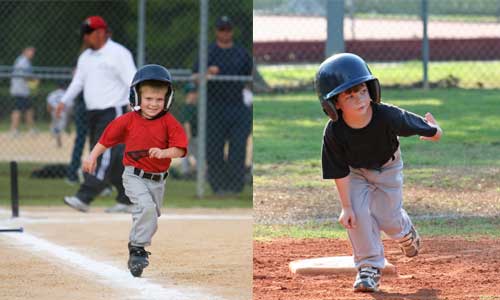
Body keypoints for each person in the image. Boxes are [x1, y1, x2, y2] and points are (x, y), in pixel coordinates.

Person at [315, 53, 442, 293]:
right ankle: (368, 268)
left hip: (388, 168)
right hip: (355, 173)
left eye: (362, 91)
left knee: (388, 217)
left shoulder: (386, 115)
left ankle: (404, 231)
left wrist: (434, 131)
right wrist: (347, 207)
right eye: (349, 96)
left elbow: (417, 125)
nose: (360, 99)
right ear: (334, 104)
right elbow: (339, 170)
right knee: (359, 215)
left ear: (371, 89)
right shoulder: (334, 132)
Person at [81, 64, 187, 277]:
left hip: (158, 180)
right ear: (136, 96)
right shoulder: (128, 120)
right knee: (145, 208)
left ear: (168, 99)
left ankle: (136, 246)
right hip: (133, 175)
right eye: (148, 99)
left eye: (159, 99)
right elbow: (106, 139)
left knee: (152, 216)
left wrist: (165, 153)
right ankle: (138, 250)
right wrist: (92, 156)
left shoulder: (169, 123)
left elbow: (180, 150)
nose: (153, 104)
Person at [56, 15, 137, 213]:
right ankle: (128, 200)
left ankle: (85, 196)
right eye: (84, 34)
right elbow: (78, 82)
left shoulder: (118, 53)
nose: (85, 38)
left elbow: (133, 80)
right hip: (94, 114)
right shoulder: (85, 57)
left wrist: (135, 105)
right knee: (114, 158)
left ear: (101, 33)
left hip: (114, 111)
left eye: (88, 33)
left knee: (102, 154)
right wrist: (64, 101)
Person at [192, 15, 253, 195]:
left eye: (227, 29)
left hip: (237, 106)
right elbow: (194, 77)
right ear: (216, 31)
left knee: (238, 147)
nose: (224, 33)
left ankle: (235, 187)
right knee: (214, 148)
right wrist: (207, 72)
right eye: (221, 29)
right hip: (214, 106)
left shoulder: (241, 53)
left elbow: (250, 78)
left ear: (231, 31)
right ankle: (218, 186)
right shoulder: (209, 52)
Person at [10, 46, 37, 136]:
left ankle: (30, 129)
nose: (32, 54)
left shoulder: (23, 61)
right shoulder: (23, 61)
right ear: (25, 51)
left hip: (22, 90)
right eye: (30, 52)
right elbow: (25, 76)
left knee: (28, 109)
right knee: (18, 109)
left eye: (33, 52)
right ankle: (14, 130)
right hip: (20, 90)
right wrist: (34, 80)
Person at [180, 82, 198, 179]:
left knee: (191, 155)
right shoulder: (187, 107)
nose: (194, 95)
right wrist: (188, 135)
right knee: (188, 154)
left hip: (196, 136)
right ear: (187, 94)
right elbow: (186, 122)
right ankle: (186, 172)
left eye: (195, 92)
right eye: (191, 93)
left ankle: (188, 171)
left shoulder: (194, 106)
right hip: (191, 136)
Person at [46, 81, 69, 148]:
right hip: (63, 112)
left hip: (54, 111)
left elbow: (49, 105)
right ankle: (58, 138)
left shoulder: (52, 94)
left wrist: (50, 112)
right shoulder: (66, 93)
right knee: (60, 127)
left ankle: (55, 134)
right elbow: (69, 105)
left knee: (55, 125)